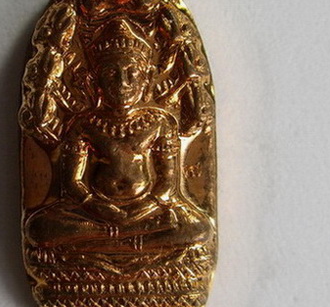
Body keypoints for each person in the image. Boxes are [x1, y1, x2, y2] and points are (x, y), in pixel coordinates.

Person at [25, 18, 211, 252]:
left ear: (146, 78)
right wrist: (95, 205)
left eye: (132, 73)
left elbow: (167, 181)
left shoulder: (160, 122)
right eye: (112, 74)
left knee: (199, 227)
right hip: (94, 210)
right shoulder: (84, 124)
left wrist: (145, 207)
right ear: (95, 80)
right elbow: (73, 183)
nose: (123, 83)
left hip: (148, 208)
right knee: (39, 228)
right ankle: (132, 240)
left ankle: (107, 240)